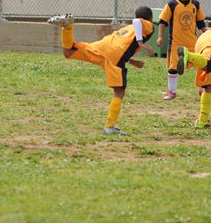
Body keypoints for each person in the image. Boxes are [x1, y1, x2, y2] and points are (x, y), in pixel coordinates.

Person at [48, 7, 155, 136]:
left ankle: (67, 27)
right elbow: (137, 22)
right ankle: (110, 126)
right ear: (150, 18)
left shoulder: (128, 29)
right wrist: (141, 43)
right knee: (119, 91)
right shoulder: (146, 26)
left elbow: (123, 46)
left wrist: (132, 61)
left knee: (69, 52)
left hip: (103, 46)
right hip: (114, 56)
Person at [156, 0, 207, 100]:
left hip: (193, 43)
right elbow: (162, 21)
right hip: (176, 43)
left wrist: (207, 35)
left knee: (202, 65)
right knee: (173, 68)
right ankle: (172, 92)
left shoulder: (196, 4)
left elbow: (201, 23)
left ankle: (203, 89)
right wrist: (160, 37)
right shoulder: (172, 4)